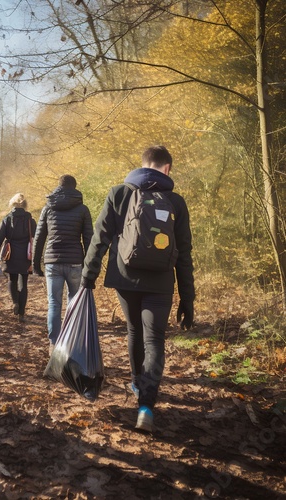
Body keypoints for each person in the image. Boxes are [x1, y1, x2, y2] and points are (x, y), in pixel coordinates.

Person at [81, 145, 195, 433]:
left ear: (143, 164)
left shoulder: (119, 193)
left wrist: (87, 277)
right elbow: (184, 253)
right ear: (167, 168)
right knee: (154, 339)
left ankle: (136, 381)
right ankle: (146, 404)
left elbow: (100, 237)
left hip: (125, 278)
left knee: (134, 331)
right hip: (161, 282)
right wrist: (187, 298)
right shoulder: (176, 202)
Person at [32, 175, 93, 352]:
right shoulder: (82, 209)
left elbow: (39, 237)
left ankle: (54, 344)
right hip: (75, 261)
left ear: (58, 187)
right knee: (75, 302)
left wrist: (36, 263)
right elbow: (89, 239)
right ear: (75, 188)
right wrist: (90, 266)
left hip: (52, 261)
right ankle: (73, 342)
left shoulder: (48, 209)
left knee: (54, 303)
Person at [0, 193, 36, 323]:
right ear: (25, 205)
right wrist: (37, 258)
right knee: (24, 283)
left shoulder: (7, 219)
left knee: (12, 279)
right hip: (26, 255)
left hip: (11, 254)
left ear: (12, 204)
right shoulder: (30, 220)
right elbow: (36, 239)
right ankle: (21, 313)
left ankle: (15, 302)